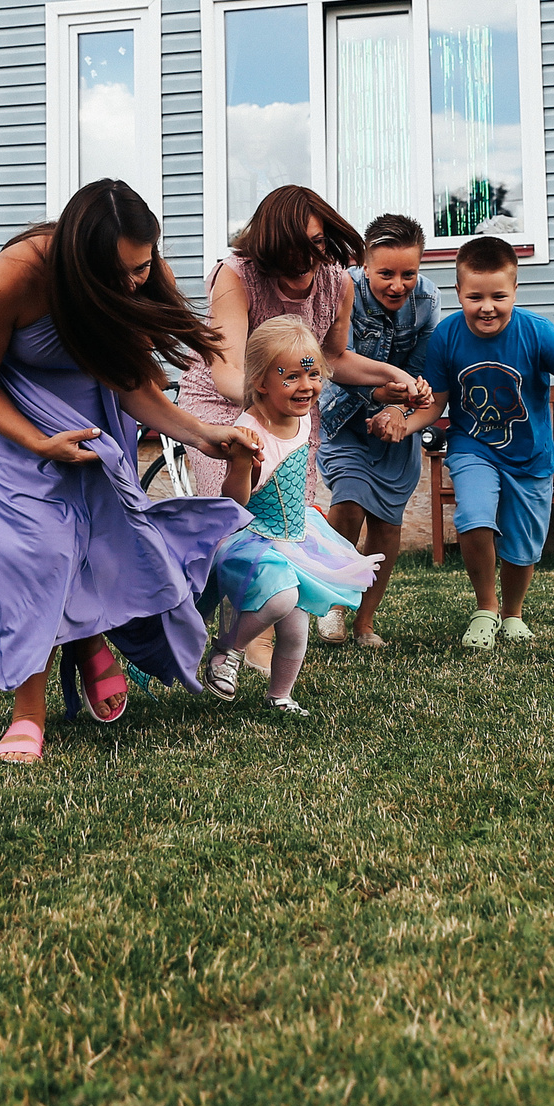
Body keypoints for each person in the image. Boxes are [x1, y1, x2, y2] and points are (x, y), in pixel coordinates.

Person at [0, 178, 262, 763]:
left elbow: (133, 382)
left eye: (143, 266)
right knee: (37, 549)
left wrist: (202, 434)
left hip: (85, 405)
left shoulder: (140, 275)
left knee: (97, 536)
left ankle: (86, 639)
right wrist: (40, 443)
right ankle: (28, 713)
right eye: (119, 273)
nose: (134, 282)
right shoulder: (17, 274)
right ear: (78, 261)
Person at [178, 186, 429, 498]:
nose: (307, 258)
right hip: (221, 399)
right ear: (270, 245)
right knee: (235, 503)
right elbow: (227, 370)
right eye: (293, 247)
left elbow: (334, 358)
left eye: (316, 242)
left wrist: (396, 375)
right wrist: (281, 395)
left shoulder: (338, 282)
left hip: (288, 398)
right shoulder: (237, 276)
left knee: (291, 504)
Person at [411, 236, 554, 651]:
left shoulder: (537, 332)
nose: (487, 307)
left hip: (530, 456)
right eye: (474, 297)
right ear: (458, 291)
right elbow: (436, 403)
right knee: (474, 516)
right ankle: (486, 608)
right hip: (472, 447)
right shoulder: (446, 336)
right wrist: (403, 425)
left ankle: (513, 613)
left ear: (515, 290)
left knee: (522, 544)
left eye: (498, 296)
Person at [202, 316, 380, 715]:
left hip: (294, 533)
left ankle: (279, 696)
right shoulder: (250, 431)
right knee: (281, 599)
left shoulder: (300, 413)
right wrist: (241, 465)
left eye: (313, 374)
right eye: (291, 377)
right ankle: (227, 649)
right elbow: (235, 500)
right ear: (261, 382)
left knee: (296, 629)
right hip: (254, 538)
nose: (306, 386)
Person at [314, 214, 438, 646]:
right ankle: (332, 605)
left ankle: (364, 622)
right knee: (348, 501)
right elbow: (335, 362)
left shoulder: (428, 300)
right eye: (386, 273)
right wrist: (380, 396)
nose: (398, 285)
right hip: (344, 418)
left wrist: (401, 409)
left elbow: (420, 370)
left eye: (409, 274)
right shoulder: (343, 290)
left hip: (396, 425)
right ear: (364, 265)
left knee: (387, 524)